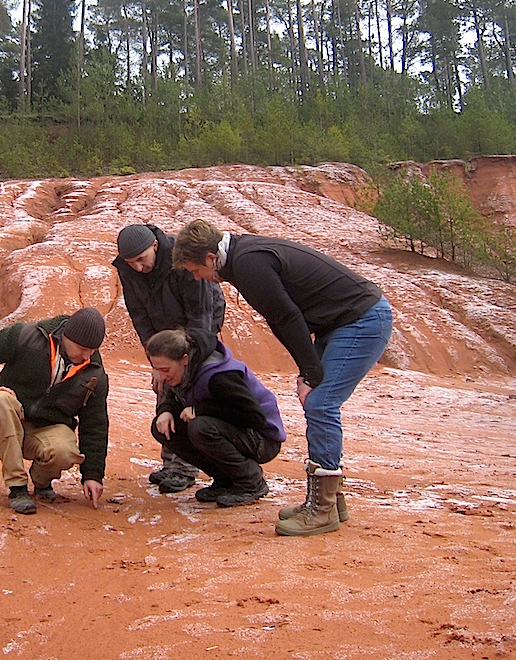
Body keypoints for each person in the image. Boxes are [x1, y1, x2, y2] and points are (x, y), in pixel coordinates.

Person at [173, 219, 393, 536]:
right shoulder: (241, 257)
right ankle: (331, 501)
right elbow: (282, 319)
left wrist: (311, 372)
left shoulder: (247, 263)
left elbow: (287, 317)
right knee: (318, 401)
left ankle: (322, 511)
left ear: (210, 258)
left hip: (362, 320)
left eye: (195, 270)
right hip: (342, 323)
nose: (197, 278)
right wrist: (308, 369)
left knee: (320, 403)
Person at [0, 307, 109, 515]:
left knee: (66, 452)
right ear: (67, 336)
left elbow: (95, 425)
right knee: (0, 401)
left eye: (92, 351)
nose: (86, 356)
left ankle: (42, 481)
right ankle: (17, 487)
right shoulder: (26, 336)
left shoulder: (95, 375)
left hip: (48, 430)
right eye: (82, 349)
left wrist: (93, 475)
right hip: (10, 420)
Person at [113, 223, 226, 493]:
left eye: (141, 260)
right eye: (132, 263)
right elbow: (138, 315)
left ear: (154, 246)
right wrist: (156, 360)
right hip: (162, 330)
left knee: (188, 388)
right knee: (164, 386)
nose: (138, 268)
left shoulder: (181, 259)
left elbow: (201, 314)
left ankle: (186, 467)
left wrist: (190, 356)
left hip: (198, 325)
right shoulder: (128, 269)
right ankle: (171, 463)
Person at [147, 328, 285, 507]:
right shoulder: (185, 372)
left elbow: (255, 416)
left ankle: (251, 482)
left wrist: (200, 410)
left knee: (201, 427)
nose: (162, 377)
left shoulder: (219, 376)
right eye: (157, 370)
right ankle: (225, 479)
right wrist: (165, 410)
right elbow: (174, 398)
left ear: (185, 359)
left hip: (263, 439)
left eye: (165, 370)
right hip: (237, 432)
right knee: (163, 428)